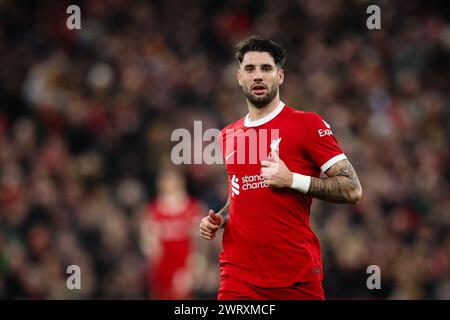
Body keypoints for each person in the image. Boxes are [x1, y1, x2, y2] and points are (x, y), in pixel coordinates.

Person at [199, 35, 362, 300]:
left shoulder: (307, 125)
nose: (258, 76)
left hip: (295, 277)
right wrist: (221, 218)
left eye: (266, 68)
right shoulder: (229, 134)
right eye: (250, 69)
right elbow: (241, 193)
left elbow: (353, 190)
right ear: (240, 77)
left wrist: (293, 180)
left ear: (281, 76)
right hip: (238, 277)